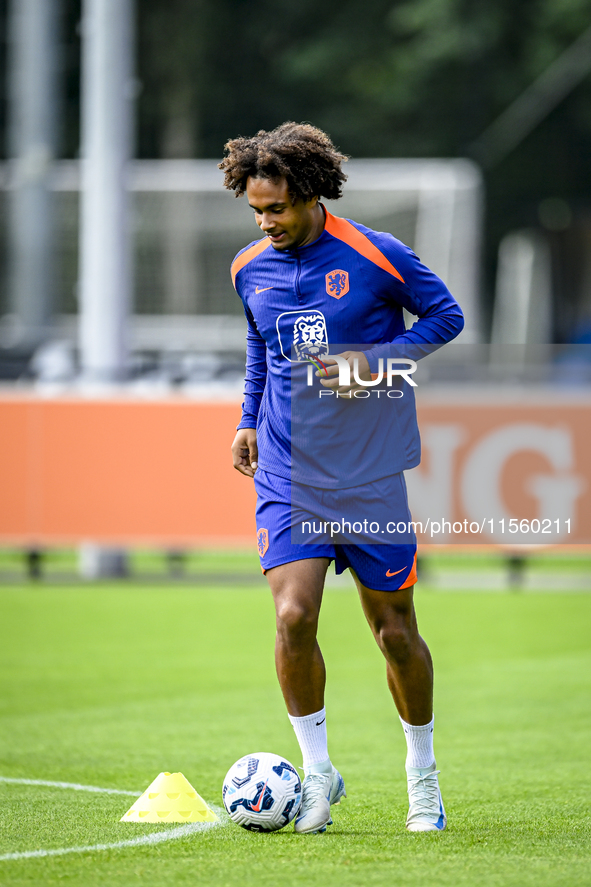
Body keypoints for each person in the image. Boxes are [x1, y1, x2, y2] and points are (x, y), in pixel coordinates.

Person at [219, 122, 464, 835]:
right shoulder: (247, 267)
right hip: (288, 469)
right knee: (292, 615)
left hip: (368, 473)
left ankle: (422, 776)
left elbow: (444, 316)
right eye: (256, 211)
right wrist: (244, 417)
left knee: (393, 631)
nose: (266, 223)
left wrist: (374, 362)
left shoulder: (374, 254)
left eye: (278, 209)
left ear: (311, 194)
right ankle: (317, 771)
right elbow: (259, 346)